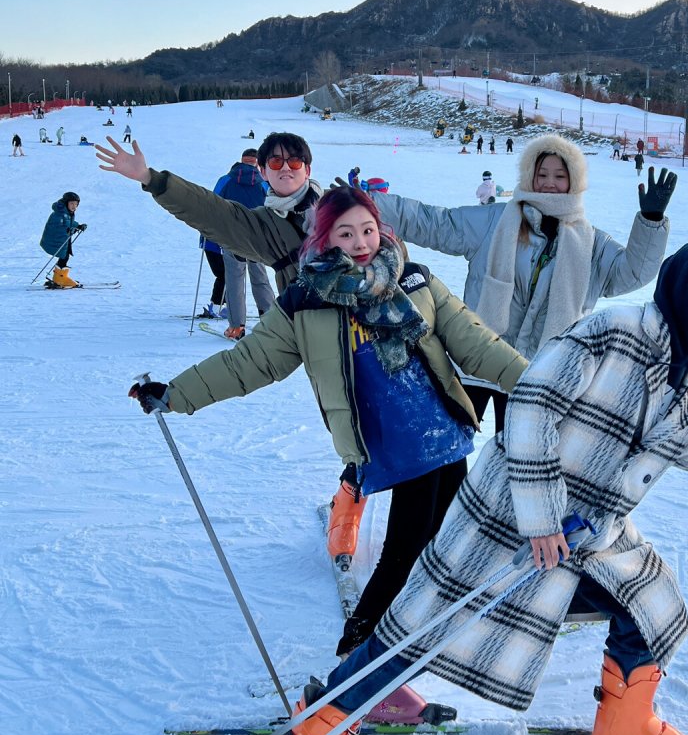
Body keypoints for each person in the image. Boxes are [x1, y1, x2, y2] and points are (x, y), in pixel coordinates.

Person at [230, 240, 688, 735]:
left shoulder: (685, 388)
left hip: (591, 537)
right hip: (510, 521)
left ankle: (627, 727)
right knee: (417, 633)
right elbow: (531, 404)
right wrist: (541, 518)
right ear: (679, 281)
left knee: (651, 602)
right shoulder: (613, 331)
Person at [129, 184, 527, 672]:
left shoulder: (416, 281)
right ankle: (355, 663)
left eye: (368, 229)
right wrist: (177, 394)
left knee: (438, 542)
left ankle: (412, 633)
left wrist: (539, 382)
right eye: (346, 232)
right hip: (395, 444)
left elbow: (478, 344)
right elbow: (249, 363)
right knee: (405, 552)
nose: (361, 242)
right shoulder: (307, 302)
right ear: (325, 237)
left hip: (444, 431)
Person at [374, 134, 676, 432]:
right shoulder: (495, 220)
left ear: (574, 181)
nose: (549, 182)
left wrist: (650, 222)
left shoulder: (591, 244)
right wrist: (368, 205)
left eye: (559, 175)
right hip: (474, 360)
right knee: (448, 454)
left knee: (514, 464)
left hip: (537, 374)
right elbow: (435, 223)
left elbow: (633, 272)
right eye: (541, 173)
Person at [95, 131, 323, 291]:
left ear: (307, 169)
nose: (285, 167)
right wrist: (149, 178)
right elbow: (211, 211)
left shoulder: (339, 206)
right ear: (262, 171)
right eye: (275, 162)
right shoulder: (265, 227)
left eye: (293, 162)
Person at [214, 148, 275, 339]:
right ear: (257, 162)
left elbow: (213, 205)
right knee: (260, 278)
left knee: (234, 280)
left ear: (241, 161)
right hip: (257, 239)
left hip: (232, 238)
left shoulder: (226, 180)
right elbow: (272, 208)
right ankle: (271, 321)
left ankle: (236, 327)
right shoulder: (264, 183)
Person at [40, 191, 86, 287]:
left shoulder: (66, 213)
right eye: (72, 203)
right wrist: (69, 230)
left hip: (62, 239)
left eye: (76, 204)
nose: (74, 206)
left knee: (65, 256)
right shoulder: (58, 215)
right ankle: (60, 279)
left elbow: (69, 222)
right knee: (64, 256)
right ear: (66, 203)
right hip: (54, 240)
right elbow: (57, 227)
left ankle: (58, 277)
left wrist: (78, 226)